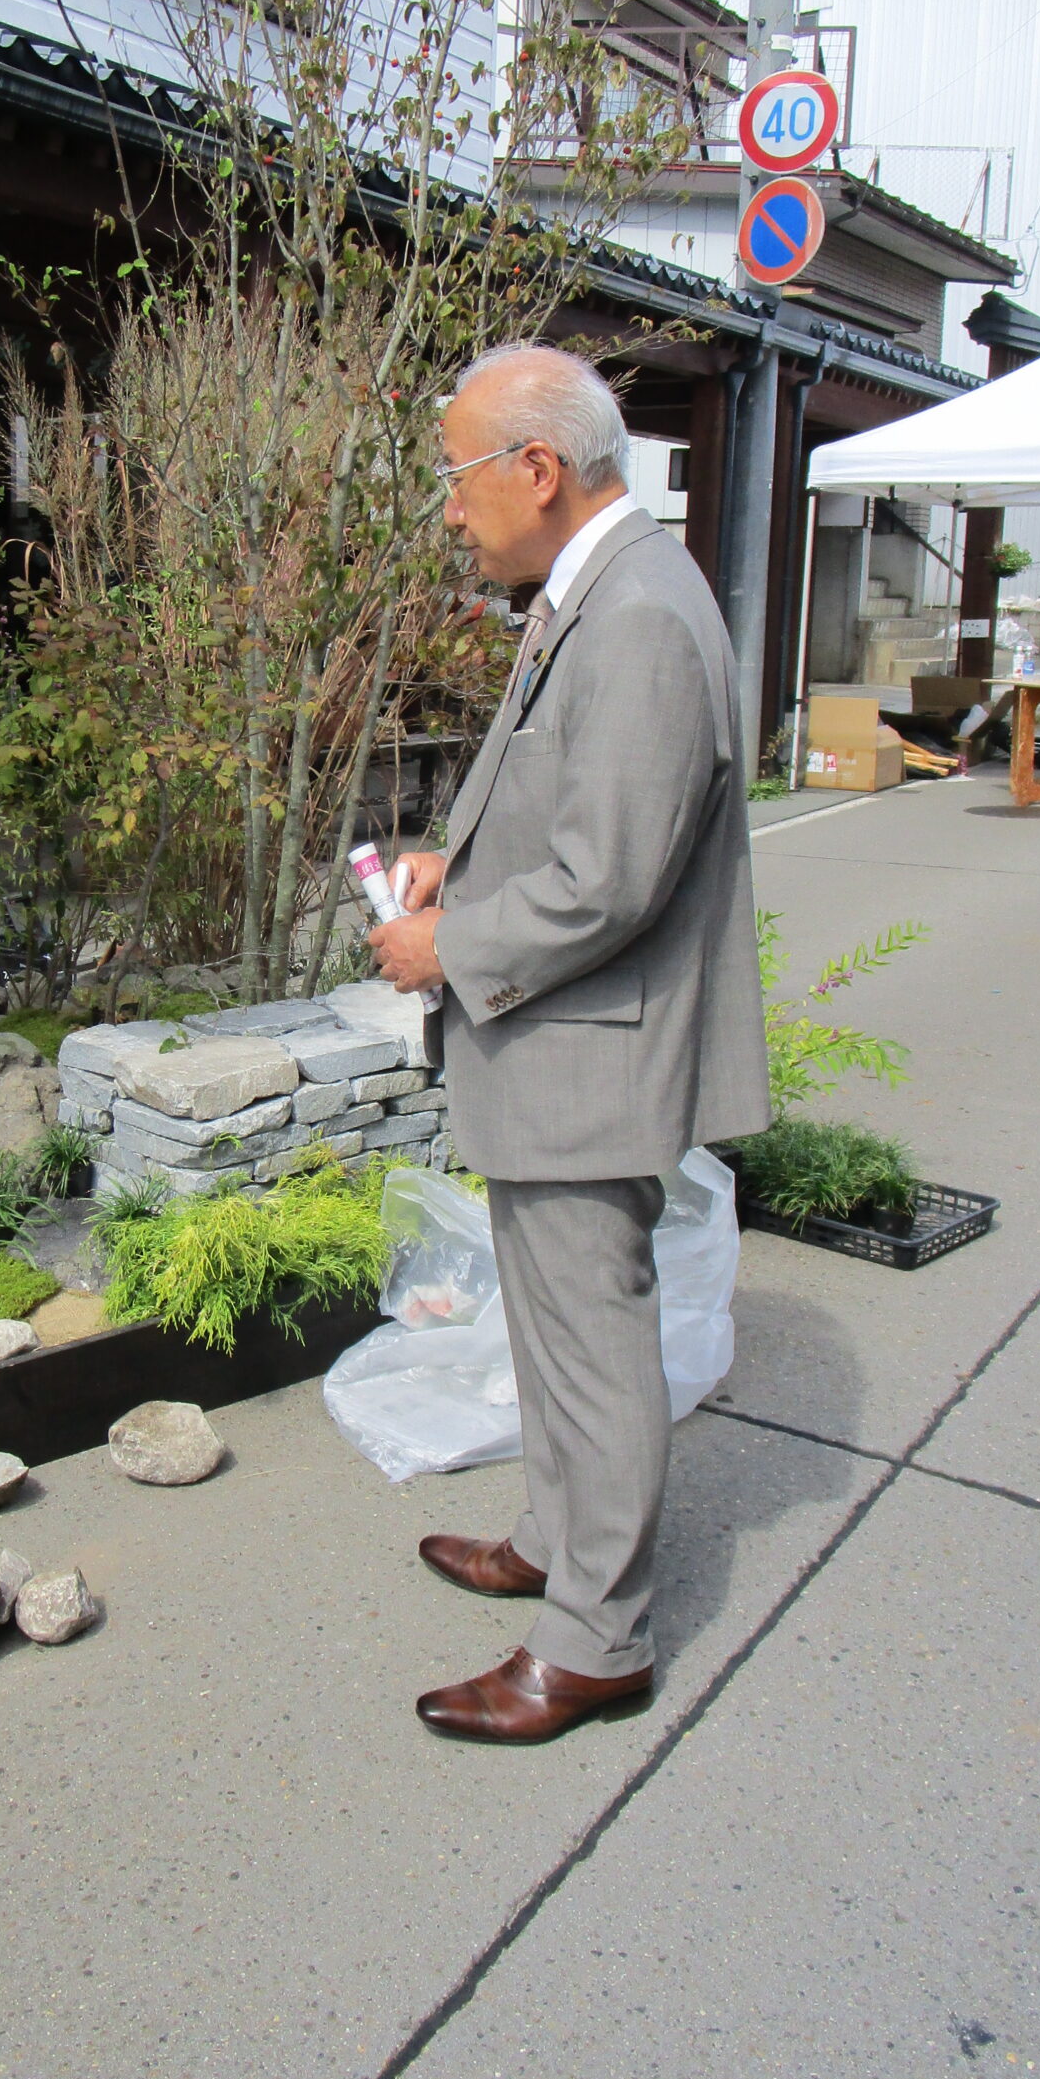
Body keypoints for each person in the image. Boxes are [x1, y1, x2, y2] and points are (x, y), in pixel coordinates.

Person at [367, 343, 768, 1745]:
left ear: (537, 469)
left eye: (457, 475)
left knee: (591, 1339)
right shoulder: (598, 587)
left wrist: (451, 944)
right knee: (552, 1322)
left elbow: (610, 879)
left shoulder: (638, 611)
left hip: (591, 1049)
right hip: (567, 1040)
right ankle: (558, 1536)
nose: (450, 508)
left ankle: (598, 1641)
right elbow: (573, 812)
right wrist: (457, 865)